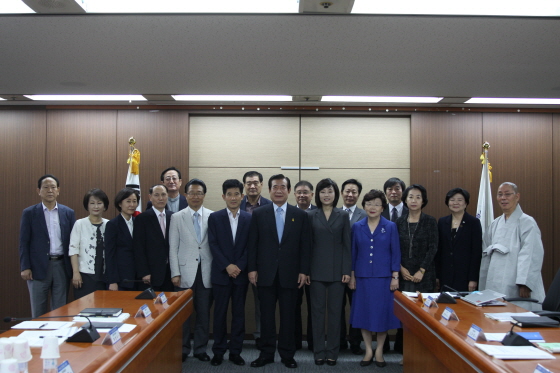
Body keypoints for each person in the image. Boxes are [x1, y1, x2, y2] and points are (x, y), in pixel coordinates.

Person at [247, 174, 311, 369]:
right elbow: (253, 245)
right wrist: (252, 269)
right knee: (266, 316)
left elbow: (305, 246)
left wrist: (303, 270)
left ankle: (287, 354)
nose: (279, 190)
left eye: (283, 187)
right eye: (275, 187)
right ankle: (266, 353)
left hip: (291, 274)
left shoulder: (300, 215)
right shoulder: (259, 214)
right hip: (265, 274)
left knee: (288, 316)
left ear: (289, 191)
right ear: (269, 190)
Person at [349, 189, 401, 367]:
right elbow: (353, 253)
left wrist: (395, 276)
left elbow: (395, 252)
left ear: (382, 208)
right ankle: (368, 350)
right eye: (369, 203)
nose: (372, 207)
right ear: (364, 206)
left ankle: (379, 350)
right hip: (362, 277)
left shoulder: (391, 226)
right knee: (363, 314)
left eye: (377, 204)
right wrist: (352, 276)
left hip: (383, 278)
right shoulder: (357, 226)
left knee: (381, 315)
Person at [479, 182, 545, 310]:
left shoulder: (527, 222)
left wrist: (525, 282)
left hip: (516, 280)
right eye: (500, 194)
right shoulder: (495, 223)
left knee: (518, 314)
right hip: (495, 278)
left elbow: (531, 253)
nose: (503, 198)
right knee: (497, 314)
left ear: (517, 196)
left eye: (507, 194)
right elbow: (486, 253)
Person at [169, 179, 214, 362]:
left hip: (206, 272)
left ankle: (201, 349)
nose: (195, 196)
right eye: (192, 193)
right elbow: (173, 247)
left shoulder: (213, 216)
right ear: (185, 195)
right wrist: (175, 272)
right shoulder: (177, 217)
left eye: (199, 193)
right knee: (183, 315)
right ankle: (183, 348)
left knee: (204, 313)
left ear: (204, 195)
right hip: (184, 273)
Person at [307, 178, 351, 366]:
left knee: (335, 313)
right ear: (317, 194)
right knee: (316, 313)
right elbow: (307, 246)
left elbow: (347, 246)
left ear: (336, 194)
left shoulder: (342, 215)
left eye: (330, 191)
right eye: (323, 192)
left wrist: (346, 270)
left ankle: (332, 351)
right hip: (315, 271)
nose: (326, 195)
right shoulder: (310, 215)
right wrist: (305, 270)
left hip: (337, 272)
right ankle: (318, 351)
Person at [208, 179, 251, 366]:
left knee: (239, 314)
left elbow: (251, 246)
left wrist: (238, 266)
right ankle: (218, 351)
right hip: (221, 274)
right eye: (229, 194)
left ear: (243, 196)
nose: (233, 198)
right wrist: (227, 266)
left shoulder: (250, 218)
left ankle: (236, 351)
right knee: (219, 314)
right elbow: (213, 244)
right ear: (223, 196)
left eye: (237, 194)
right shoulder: (215, 217)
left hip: (240, 275)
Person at [19, 174, 76, 318]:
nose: (50, 190)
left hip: (61, 266)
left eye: (53, 187)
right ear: (38, 191)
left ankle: (57, 339)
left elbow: (73, 242)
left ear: (58, 190)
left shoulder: (68, 213)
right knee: (38, 310)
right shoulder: (29, 213)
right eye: (46, 187)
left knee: (60, 309)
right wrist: (25, 266)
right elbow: (24, 242)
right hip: (37, 267)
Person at [240, 171, 272, 350]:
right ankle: (237, 337)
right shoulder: (237, 203)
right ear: (244, 185)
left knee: (262, 303)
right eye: (248, 183)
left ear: (261, 185)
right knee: (237, 302)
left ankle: (261, 336)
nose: (252, 186)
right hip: (238, 263)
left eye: (255, 183)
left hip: (260, 264)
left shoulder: (270, 205)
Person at [436, 188, 482, 292]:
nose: (455, 203)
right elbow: (439, 251)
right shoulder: (442, 222)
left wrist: (473, 279)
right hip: (445, 275)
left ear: (466, 203)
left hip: (464, 276)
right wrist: (437, 276)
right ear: (448, 203)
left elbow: (476, 253)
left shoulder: (473, 222)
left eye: (460, 200)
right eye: (452, 200)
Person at [340, 179, 366, 355]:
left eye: (354, 192)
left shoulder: (365, 215)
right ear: (341, 193)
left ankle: (355, 342)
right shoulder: (333, 213)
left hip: (357, 269)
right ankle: (340, 341)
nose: (350, 195)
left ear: (358, 194)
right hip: (336, 269)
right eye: (347, 191)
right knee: (337, 307)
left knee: (356, 307)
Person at [396, 184, 438, 293]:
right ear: (405, 200)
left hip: (425, 276)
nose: (414, 200)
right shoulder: (399, 222)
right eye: (410, 197)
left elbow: (433, 248)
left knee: (423, 308)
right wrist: (400, 268)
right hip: (403, 275)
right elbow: (394, 248)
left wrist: (422, 270)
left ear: (423, 201)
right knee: (404, 308)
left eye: (418, 197)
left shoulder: (430, 221)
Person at [69, 188, 110, 299]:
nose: (95, 207)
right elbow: (73, 250)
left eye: (99, 203)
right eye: (92, 203)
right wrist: (76, 273)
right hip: (84, 276)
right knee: (83, 310)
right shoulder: (79, 224)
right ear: (87, 206)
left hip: (104, 275)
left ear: (104, 206)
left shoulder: (109, 225)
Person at [133, 184, 174, 292]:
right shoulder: (142, 219)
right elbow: (138, 248)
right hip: (150, 275)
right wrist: (144, 272)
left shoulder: (173, 217)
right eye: (156, 195)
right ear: (150, 197)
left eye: (163, 194)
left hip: (170, 274)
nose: (160, 198)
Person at [293, 179, 316, 351]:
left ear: (312, 195)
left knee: (314, 306)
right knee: (294, 306)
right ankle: (295, 341)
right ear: (294, 194)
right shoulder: (288, 212)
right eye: (299, 192)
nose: (302, 195)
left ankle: (313, 342)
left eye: (305, 192)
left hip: (316, 268)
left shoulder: (319, 212)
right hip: (293, 269)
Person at [105, 188, 140, 291]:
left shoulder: (138, 222)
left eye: (134, 201)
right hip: (121, 279)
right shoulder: (112, 224)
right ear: (120, 203)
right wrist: (113, 281)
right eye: (128, 201)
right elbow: (109, 254)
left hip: (138, 278)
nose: (132, 205)